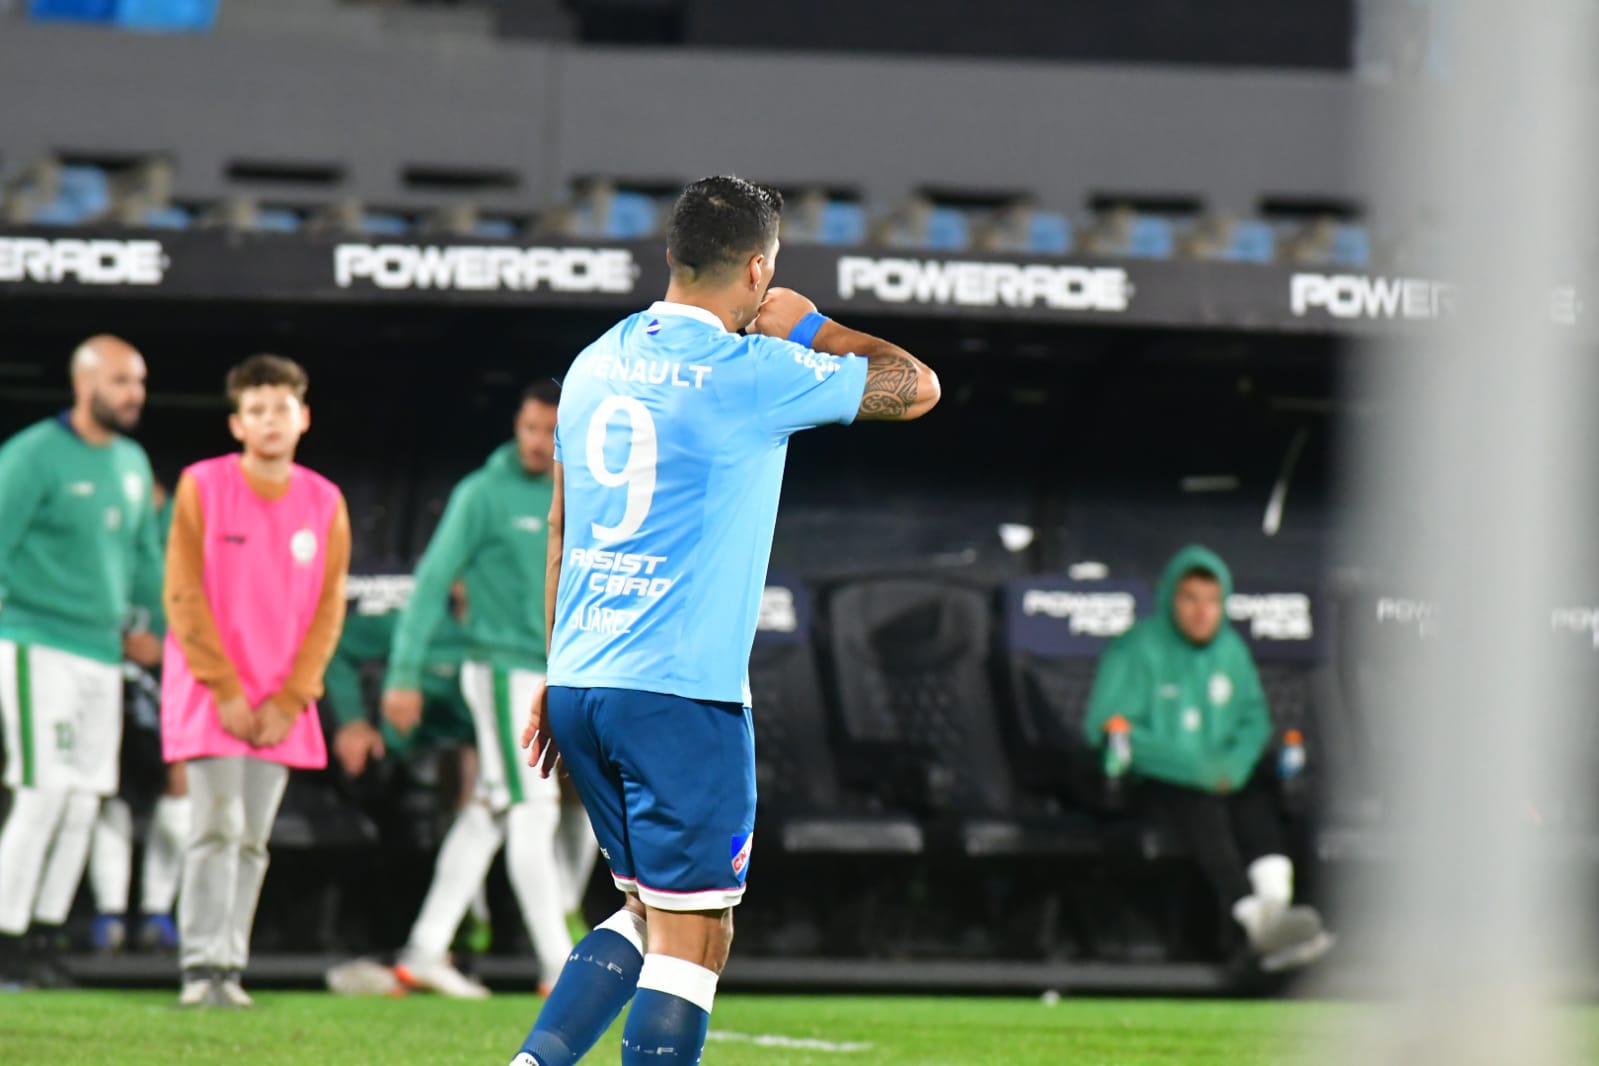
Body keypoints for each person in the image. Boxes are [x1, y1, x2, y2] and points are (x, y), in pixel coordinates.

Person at [512, 175, 940, 1066]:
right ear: (756, 270)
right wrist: (811, 325)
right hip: (681, 696)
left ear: (669, 256)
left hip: (585, 679)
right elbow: (917, 386)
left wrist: (558, 673)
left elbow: (561, 526)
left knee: (641, 907)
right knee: (696, 935)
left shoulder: (592, 362)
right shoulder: (752, 371)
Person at [381, 383, 592, 999]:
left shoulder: (582, 490)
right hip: (502, 671)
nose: (534, 441)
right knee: (533, 809)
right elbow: (430, 583)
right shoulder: (482, 493)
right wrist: (403, 673)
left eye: (547, 431)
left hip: (554, 671)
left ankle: (423, 949)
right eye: (528, 427)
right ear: (516, 425)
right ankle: (560, 966)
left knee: (490, 812)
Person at [162, 354, 350, 1008]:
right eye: (257, 410)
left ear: (303, 417)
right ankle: (199, 968)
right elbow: (182, 592)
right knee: (214, 826)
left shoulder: (325, 501)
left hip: (280, 704)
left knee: (251, 838)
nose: (271, 421)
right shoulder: (201, 485)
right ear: (237, 423)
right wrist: (224, 689)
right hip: (213, 696)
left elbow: (328, 609)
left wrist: (293, 696)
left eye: (282, 408)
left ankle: (229, 969)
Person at [0, 335, 164, 988]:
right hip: (36, 642)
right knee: (43, 792)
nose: (134, 394)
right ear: (84, 382)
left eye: (141, 381)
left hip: (103, 652)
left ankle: (42, 937)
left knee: (84, 800)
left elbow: (145, 556)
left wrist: (153, 626)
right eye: (122, 381)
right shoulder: (32, 456)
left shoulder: (131, 459)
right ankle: (5, 937)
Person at [1083, 545, 1333, 972]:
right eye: (1191, 599)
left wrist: (1232, 766)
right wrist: (1190, 767)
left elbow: (1254, 719)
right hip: (1156, 782)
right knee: (1199, 805)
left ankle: (1277, 909)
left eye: (1213, 601)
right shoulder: (1136, 648)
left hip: (1224, 777)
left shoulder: (1230, 651)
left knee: (1258, 793)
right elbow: (1106, 725)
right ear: (1170, 600)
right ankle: (1250, 919)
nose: (1202, 613)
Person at [90, 478, 190, 955]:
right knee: (108, 794)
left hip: (170, 694)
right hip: (103, 687)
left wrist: (163, 651)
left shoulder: (185, 556)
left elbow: (209, 635)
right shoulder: (96, 548)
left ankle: (157, 911)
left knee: (178, 792)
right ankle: (109, 913)